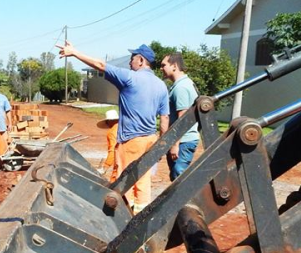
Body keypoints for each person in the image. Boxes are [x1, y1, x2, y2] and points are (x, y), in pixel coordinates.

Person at [57, 41, 169, 213]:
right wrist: (162, 144)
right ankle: (141, 217)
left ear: (140, 60)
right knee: (143, 179)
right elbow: (164, 118)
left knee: (125, 180)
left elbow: (100, 65)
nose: (130, 62)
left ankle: (123, 218)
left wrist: (74, 53)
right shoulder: (161, 85)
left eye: (132, 58)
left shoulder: (130, 78)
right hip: (151, 140)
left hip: (132, 140)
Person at [160, 53, 200, 181]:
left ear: (174, 66)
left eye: (163, 65)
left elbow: (182, 119)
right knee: (176, 177)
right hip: (182, 140)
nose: (161, 68)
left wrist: (175, 145)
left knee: (179, 177)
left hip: (183, 141)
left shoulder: (181, 88)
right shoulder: (181, 85)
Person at [97, 108, 119, 178]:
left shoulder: (112, 132)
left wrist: (105, 167)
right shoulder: (124, 127)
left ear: (109, 121)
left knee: (116, 178)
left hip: (122, 158)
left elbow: (113, 150)